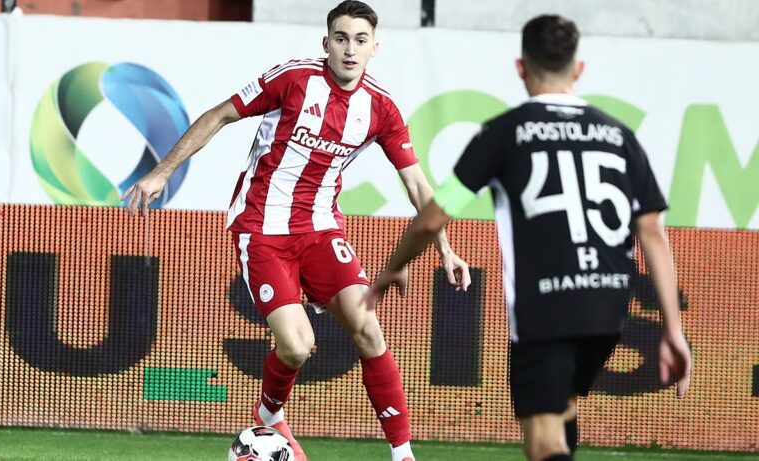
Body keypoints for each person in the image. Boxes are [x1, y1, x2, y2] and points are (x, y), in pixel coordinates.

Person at [122, 1, 471, 460]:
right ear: (326, 43)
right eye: (341, 39)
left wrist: (446, 248)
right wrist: (162, 171)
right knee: (298, 345)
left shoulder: (381, 108)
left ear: (375, 48)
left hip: (321, 230)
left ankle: (403, 454)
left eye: (360, 41)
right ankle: (269, 414)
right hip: (262, 228)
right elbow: (219, 114)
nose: (350, 50)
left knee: (369, 329)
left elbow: (418, 185)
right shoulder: (294, 78)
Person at [366, 14, 692, 461]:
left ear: (520, 67)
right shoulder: (619, 136)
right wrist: (673, 330)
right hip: (609, 306)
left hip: (547, 305)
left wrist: (394, 267)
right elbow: (652, 230)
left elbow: (431, 218)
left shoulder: (504, 133)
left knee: (541, 440)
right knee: (562, 409)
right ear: (578, 69)